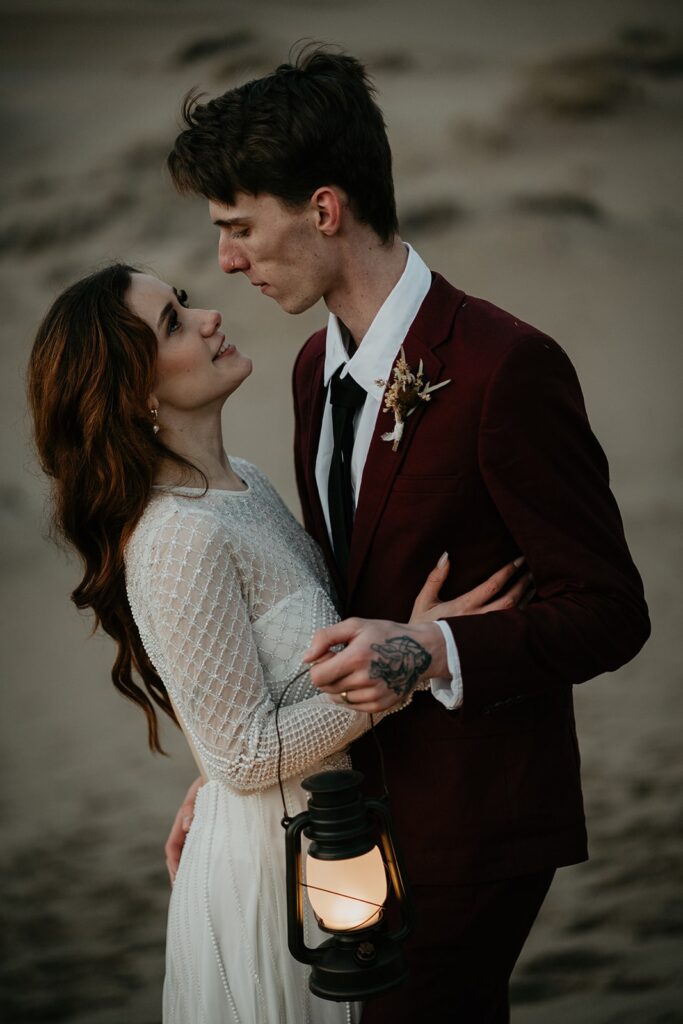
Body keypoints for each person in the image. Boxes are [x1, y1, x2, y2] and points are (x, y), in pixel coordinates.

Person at [164, 47, 650, 1022]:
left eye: (239, 227)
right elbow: (344, 598)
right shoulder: (310, 369)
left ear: (325, 210)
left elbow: (607, 612)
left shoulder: (501, 367)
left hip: (477, 818)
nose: (226, 260)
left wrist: (434, 647)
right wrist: (239, 778)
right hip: (352, 812)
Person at [27, 263, 530, 1023]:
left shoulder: (247, 487)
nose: (207, 319)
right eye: (172, 324)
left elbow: (246, 697)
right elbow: (243, 755)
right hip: (275, 859)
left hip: (332, 837)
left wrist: (402, 638)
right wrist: (403, 670)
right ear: (136, 395)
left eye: (185, 303)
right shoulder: (175, 538)